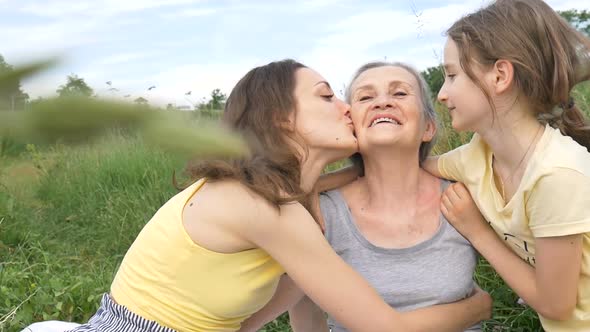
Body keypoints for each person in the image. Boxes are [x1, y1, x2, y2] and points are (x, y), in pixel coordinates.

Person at [22, 59, 491, 332]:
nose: (350, 108)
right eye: (329, 97)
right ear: (281, 118)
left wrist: (428, 164)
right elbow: (383, 329)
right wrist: (477, 307)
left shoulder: (272, 192)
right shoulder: (265, 209)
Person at [237, 62, 485, 332]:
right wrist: (481, 306)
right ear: (351, 126)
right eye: (365, 97)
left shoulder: (465, 197)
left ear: (428, 127)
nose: (382, 102)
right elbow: (305, 312)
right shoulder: (317, 212)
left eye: (400, 93)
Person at [420, 0, 590, 331]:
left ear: (499, 75)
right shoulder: (476, 156)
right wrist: (310, 184)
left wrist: (477, 231)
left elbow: (556, 305)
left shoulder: (556, 174)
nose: (441, 94)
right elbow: (412, 167)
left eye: (452, 75)